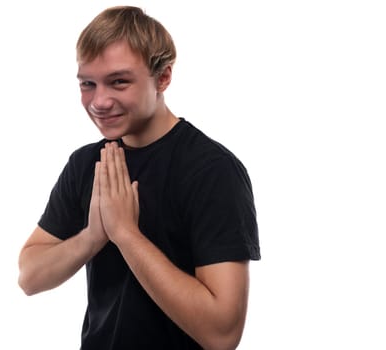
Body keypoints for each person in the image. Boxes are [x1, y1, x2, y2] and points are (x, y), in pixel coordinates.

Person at [18, 5, 260, 350]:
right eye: (88, 84)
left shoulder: (212, 170)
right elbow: (29, 276)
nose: (99, 101)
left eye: (119, 81)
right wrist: (91, 237)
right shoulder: (86, 162)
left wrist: (126, 234)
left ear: (163, 77)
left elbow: (222, 334)